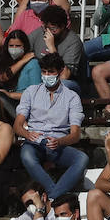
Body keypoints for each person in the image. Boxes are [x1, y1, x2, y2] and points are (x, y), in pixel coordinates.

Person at [15, 55, 86, 199]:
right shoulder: (31, 91)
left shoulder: (72, 97)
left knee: (82, 159)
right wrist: (26, 134)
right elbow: (17, 124)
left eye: (51, 72)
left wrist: (59, 142)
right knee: (26, 155)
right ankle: (56, 195)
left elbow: (75, 134)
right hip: (34, 142)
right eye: (44, 72)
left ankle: (53, 196)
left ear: (60, 72)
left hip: (57, 144)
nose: (47, 76)